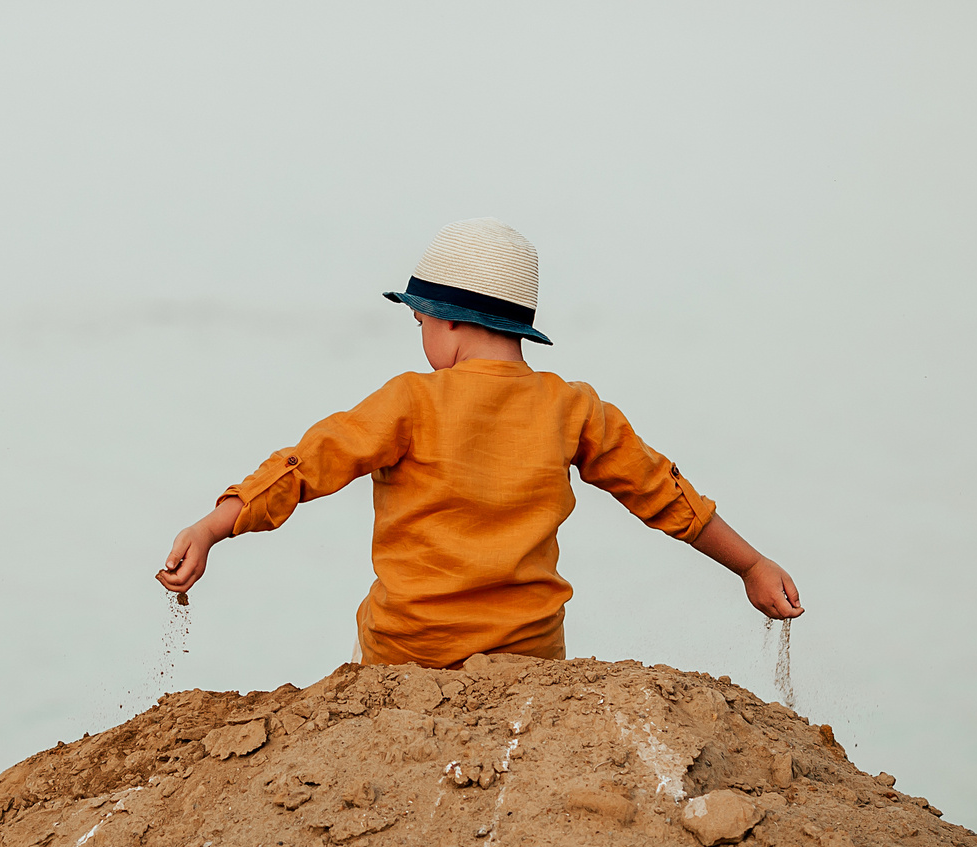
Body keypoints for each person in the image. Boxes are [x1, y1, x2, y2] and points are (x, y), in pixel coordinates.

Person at [155, 218, 802, 667]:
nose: (420, 336)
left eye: (419, 321)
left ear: (450, 322)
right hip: (528, 654)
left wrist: (215, 525)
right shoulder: (571, 407)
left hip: (408, 651)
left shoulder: (411, 399)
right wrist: (751, 565)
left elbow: (305, 466)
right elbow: (664, 492)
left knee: (365, 665)